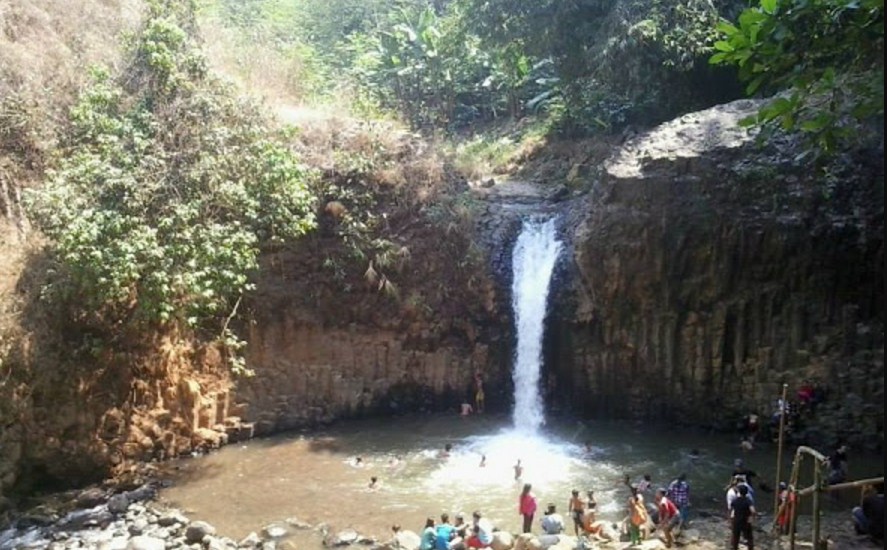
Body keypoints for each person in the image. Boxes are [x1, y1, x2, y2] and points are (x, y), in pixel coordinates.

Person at [729, 483, 756, 550]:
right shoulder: (748, 500)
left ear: (739, 492)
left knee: (736, 538)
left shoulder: (735, 500)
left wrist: (731, 519)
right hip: (745, 521)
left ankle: (735, 548)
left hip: (736, 520)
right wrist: (751, 517)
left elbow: (731, 510)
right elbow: (753, 511)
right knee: (749, 538)